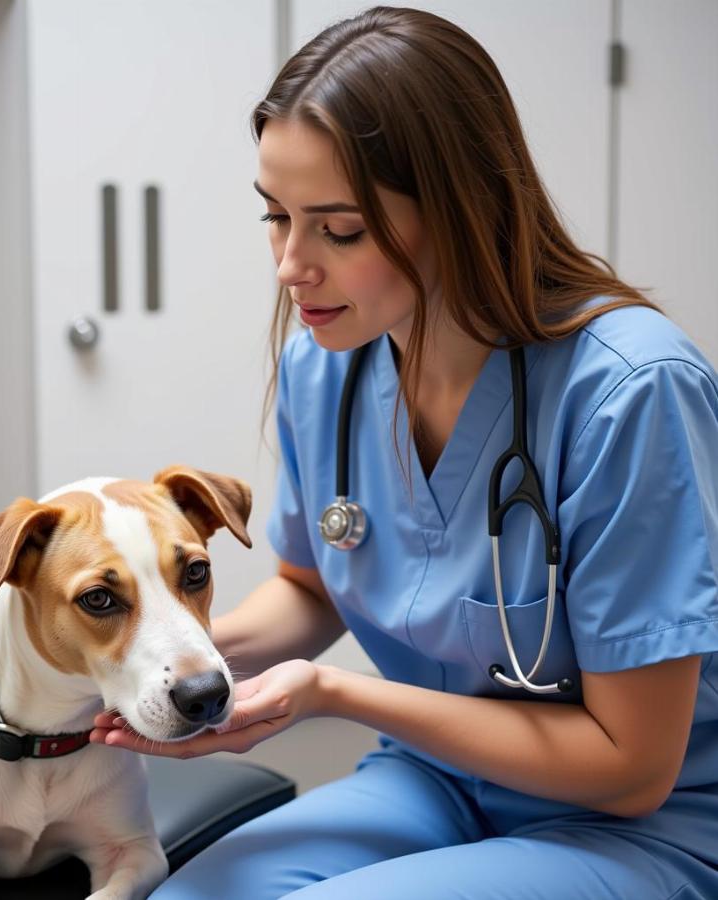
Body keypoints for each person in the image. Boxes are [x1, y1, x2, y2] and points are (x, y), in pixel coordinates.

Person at [91, 7, 718, 898]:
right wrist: (143, 659)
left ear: (464, 211)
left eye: (338, 230)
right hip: (437, 778)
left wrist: (334, 695)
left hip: (638, 826)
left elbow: (631, 765)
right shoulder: (330, 362)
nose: (290, 265)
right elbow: (310, 592)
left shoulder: (630, 393)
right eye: (276, 217)